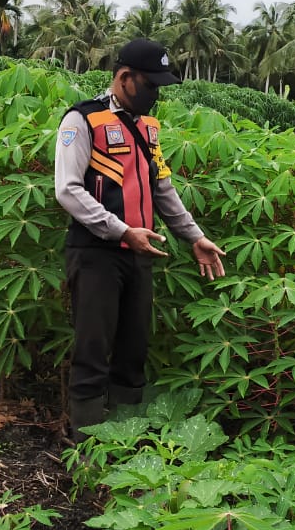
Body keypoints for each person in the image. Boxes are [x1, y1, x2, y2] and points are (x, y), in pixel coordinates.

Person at [53, 38, 226, 440]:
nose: (155, 96)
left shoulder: (149, 128)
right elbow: (68, 189)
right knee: (93, 352)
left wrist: (193, 236)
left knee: (133, 350)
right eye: (150, 86)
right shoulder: (83, 120)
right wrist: (120, 229)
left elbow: (162, 187)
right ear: (124, 77)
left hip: (139, 253)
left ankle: (124, 443)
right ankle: (87, 449)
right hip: (96, 252)